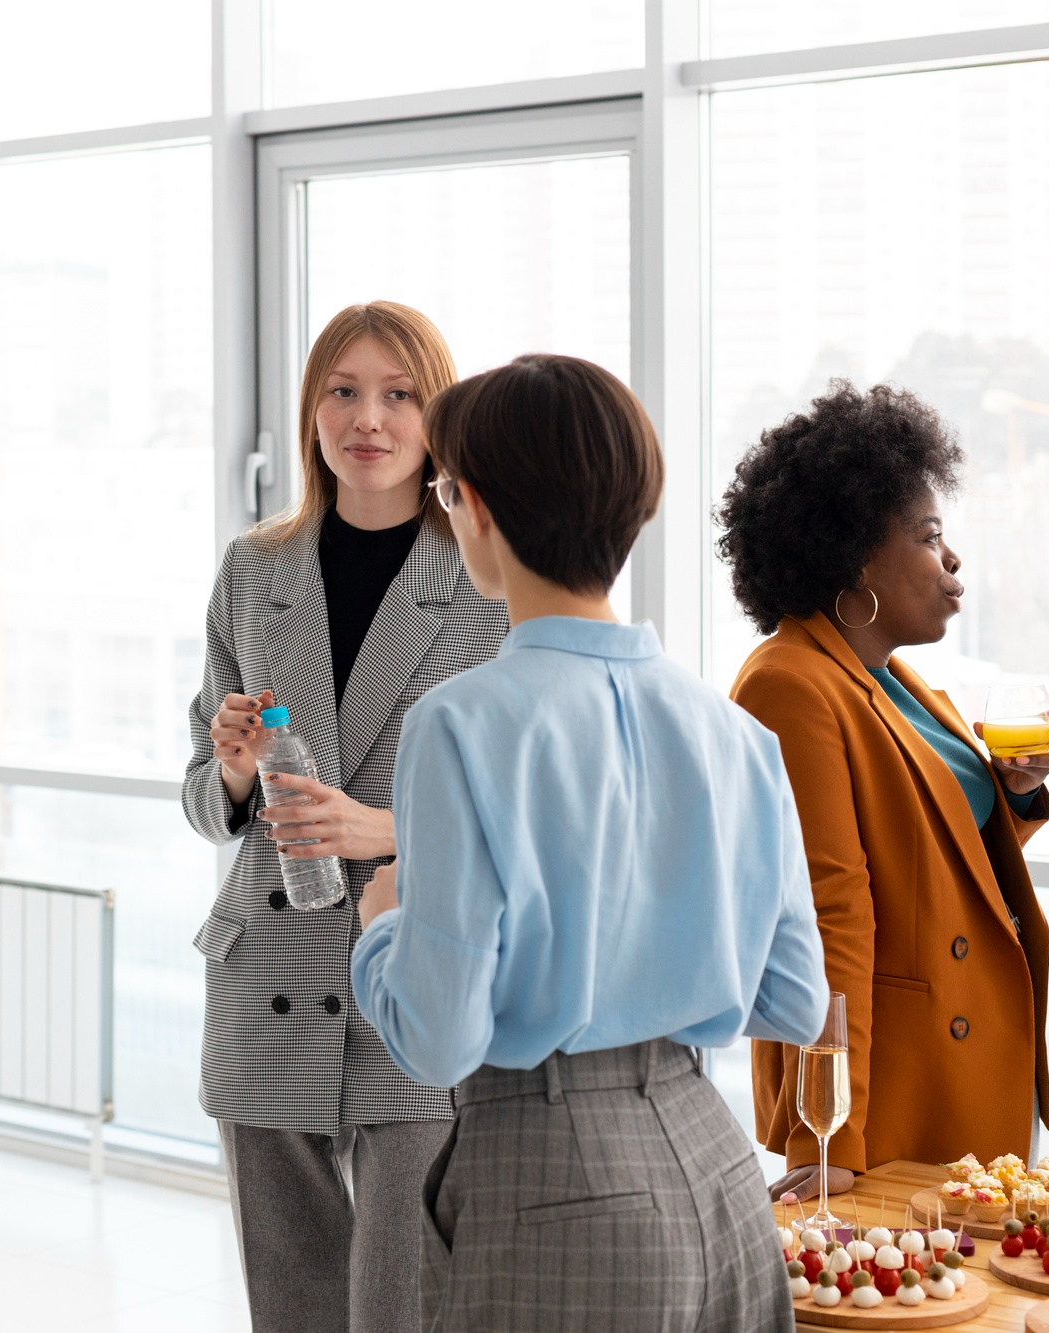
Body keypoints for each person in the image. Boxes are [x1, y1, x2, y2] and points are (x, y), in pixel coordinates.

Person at [351, 353, 830, 1332]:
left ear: (474, 507)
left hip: (554, 1173)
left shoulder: (462, 723)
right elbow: (793, 998)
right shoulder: (731, 731)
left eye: (444, 491)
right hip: (718, 1168)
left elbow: (437, 1038)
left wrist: (379, 930)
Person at [182, 301, 508, 1333]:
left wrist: (377, 830)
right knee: (290, 1305)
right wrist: (233, 773)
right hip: (262, 974)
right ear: (310, 409)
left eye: (397, 394)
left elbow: (513, 805)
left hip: (409, 973)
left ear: (435, 415)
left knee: (402, 1308)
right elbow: (199, 795)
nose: (366, 417)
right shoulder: (253, 566)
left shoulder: (484, 578)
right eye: (341, 390)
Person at [718, 381, 1049, 1205]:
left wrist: (1011, 793)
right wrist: (827, 1131)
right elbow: (825, 917)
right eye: (928, 534)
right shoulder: (791, 684)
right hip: (892, 1101)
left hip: (964, 1065)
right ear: (854, 556)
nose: (951, 559)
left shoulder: (886, 675)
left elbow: (934, 874)